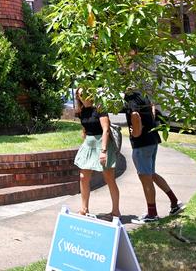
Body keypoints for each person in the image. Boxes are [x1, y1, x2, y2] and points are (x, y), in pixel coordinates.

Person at [124, 89, 184, 223]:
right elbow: (152, 108)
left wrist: (136, 132)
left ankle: (152, 214)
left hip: (142, 144)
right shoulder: (143, 94)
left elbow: (134, 114)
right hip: (152, 139)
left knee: (145, 178)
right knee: (151, 174)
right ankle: (175, 202)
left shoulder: (130, 97)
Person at [73, 88, 121, 219]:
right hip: (89, 145)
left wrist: (104, 151)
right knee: (83, 177)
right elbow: (85, 128)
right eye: (80, 94)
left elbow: (106, 130)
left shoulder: (99, 108)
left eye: (86, 93)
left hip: (102, 145)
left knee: (109, 179)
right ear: (78, 96)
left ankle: (116, 211)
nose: (83, 96)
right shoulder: (81, 111)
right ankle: (84, 209)